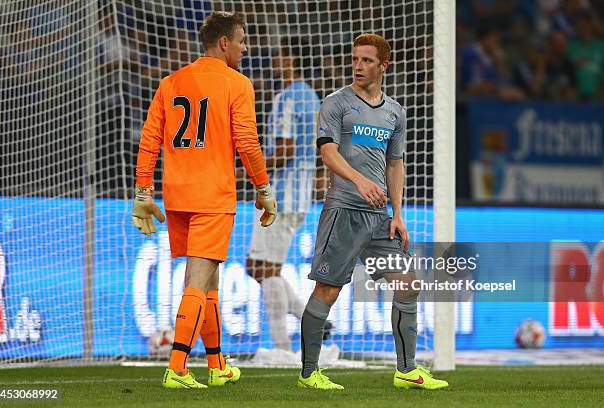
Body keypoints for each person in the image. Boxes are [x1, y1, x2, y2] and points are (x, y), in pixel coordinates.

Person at [131, 11, 277, 389]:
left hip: (177, 195)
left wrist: (143, 192)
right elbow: (247, 141)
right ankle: (177, 368)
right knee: (197, 280)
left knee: (209, 280)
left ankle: (217, 364)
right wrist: (263, 188)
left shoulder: (171, 82)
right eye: (242, 41)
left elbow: (149, 140)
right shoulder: (237, 83)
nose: (246, 48)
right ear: (224, 43)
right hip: (213, 195)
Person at [297, 33, 448, 390]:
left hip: (380, 218)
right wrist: (360, 181)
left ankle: (407, 370)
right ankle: (309, 374)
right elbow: (328, 153)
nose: (358, 66)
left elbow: (396, 165)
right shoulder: (336, 103)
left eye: (367, 60)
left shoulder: (395, 112)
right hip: (344, 210)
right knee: (327, 291)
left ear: (383, 65)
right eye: (355, 59)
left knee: (409, 285)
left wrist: (398, 214)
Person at [246, 37, 332, 354]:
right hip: (300, 196)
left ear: (291, 58)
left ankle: (282, 347)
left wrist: (251, 170)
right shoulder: (313, 98)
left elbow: (285, 149)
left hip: (278, 196)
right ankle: (312, 320)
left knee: (264, 268)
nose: (274, 59)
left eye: (279, 54)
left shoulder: (288, 97)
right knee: (259, 266)